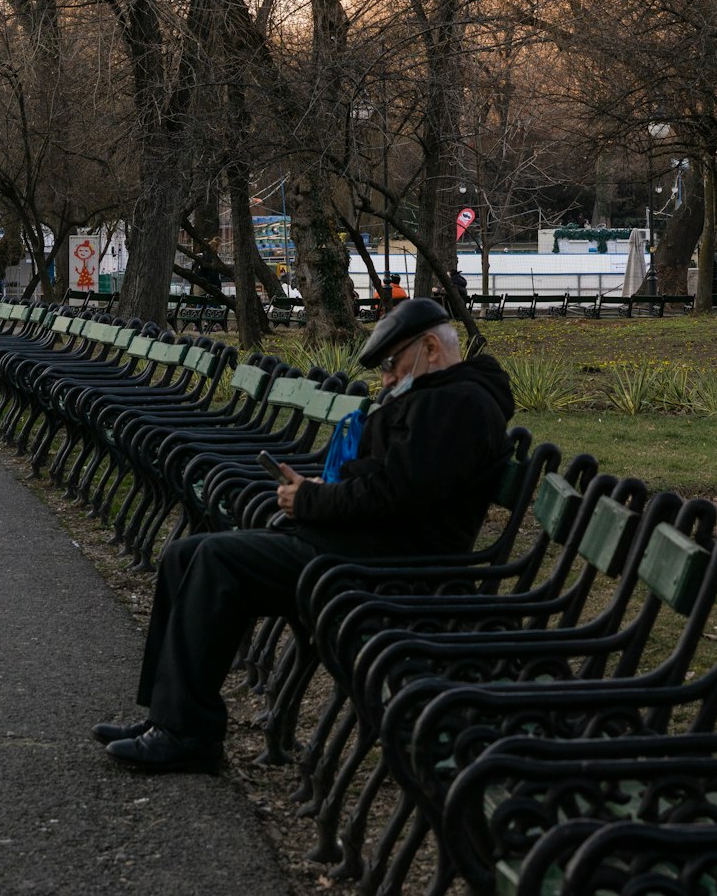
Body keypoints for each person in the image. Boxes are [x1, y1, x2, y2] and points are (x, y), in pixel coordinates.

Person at [92, 297, 514, 774]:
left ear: (431, 348)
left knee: (215, 560)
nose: (388, 380)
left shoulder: (457, 405)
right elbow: (386, 484)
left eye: (392, 365)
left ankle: (187, 734)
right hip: (360, 546)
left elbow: (396, 497)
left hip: (389, 564)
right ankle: (166, 718)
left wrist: (310, 501)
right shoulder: (443, 397)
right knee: (186, 554)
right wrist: (315, 490)